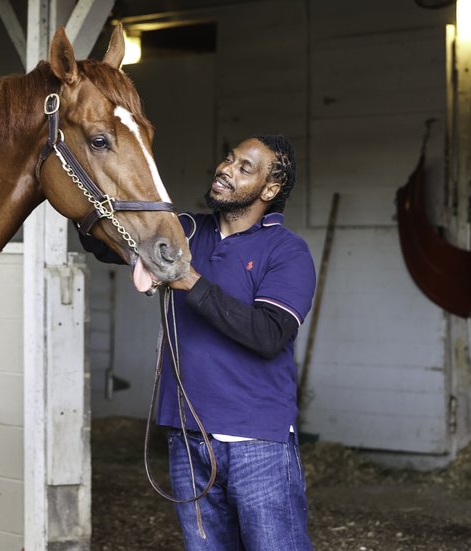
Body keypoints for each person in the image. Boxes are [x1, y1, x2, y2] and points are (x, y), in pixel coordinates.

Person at [81, 135, 316, 550]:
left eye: (245, 167)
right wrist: (81, 188)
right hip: (188, 438)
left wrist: (190, 280)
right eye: (228, 158)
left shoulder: (286, 250)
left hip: (257, 442)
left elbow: (268, 334)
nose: (226, 168)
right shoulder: (184, 231)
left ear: (270, 189)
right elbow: (102, 244)